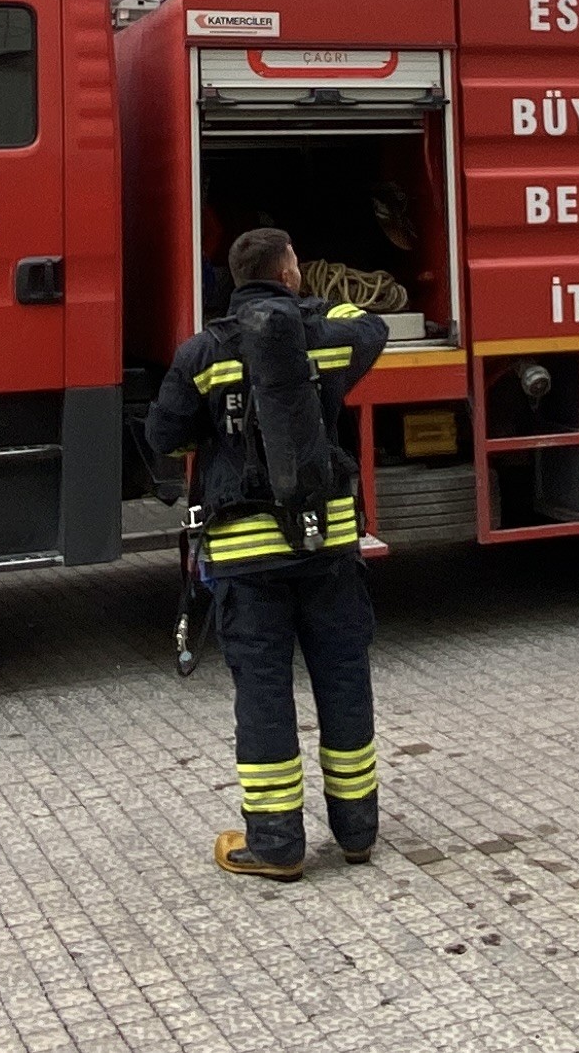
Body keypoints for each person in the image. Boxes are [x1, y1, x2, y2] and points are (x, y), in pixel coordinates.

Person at [147, 226, 391, 878]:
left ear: (232, 279)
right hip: (329, 544)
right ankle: (358, 831)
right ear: (289, 273)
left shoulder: (204, 350)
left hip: (246, 558)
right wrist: (311, 305)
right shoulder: (325, 335)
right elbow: (371, 324)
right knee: (342, 678)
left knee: (263, 691)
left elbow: (164, 439)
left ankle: (278, 844)